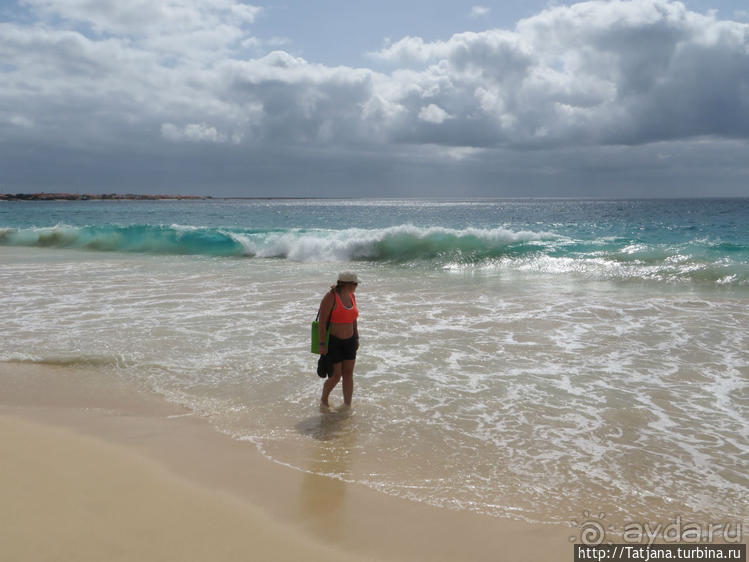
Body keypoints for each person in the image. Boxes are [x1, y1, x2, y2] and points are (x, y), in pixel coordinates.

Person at [317, 271, 359, 407]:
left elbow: (354, 319)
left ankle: (347, 405)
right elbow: (322, 322)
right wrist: (322, 343)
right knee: (336, 376)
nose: (357, 286)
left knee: (348, 374)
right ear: (347, 284)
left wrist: (356, 337)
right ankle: (324, 399)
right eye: (355, 284)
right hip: (334, 341)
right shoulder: (331, 297)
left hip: (350, 341)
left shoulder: (352, 296)